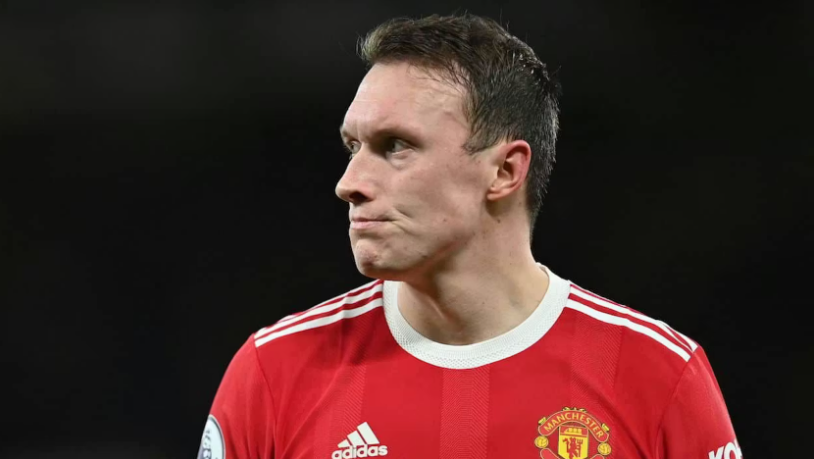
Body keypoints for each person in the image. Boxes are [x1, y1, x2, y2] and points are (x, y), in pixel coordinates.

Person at [198, 13, 741, 459]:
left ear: (504, 171)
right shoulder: (274, 373)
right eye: (353, 147)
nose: (349, 184)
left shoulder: (658, 375)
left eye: (396, 146)